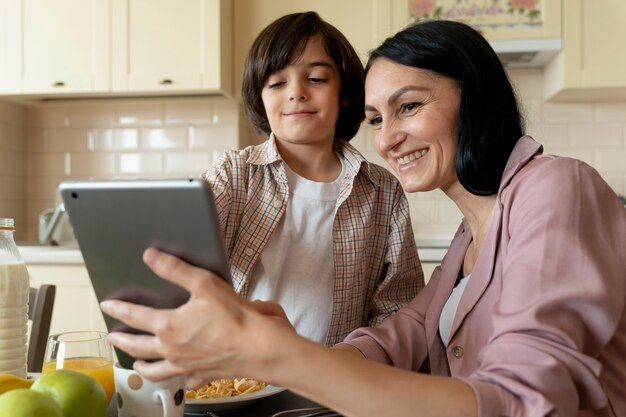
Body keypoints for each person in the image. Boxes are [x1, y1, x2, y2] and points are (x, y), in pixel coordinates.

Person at [101, 20, 626, 417]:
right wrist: (291, 351)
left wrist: (273, 354)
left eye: (410, 106)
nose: (387, 138)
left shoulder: (556, 185)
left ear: (478, 101)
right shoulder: (470, 235)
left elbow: (523, 400)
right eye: (377, 119)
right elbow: (400, 335)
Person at [200, 11, 422, 345]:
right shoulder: (234, 174)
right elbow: (187, 258)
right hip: (239, 379)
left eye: (316, 79)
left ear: (345, 94)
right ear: (261, 98)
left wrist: (356, 360)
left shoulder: (382, 191)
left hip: (333, 383)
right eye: (277, 83)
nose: (296, 92)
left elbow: (396, 306)